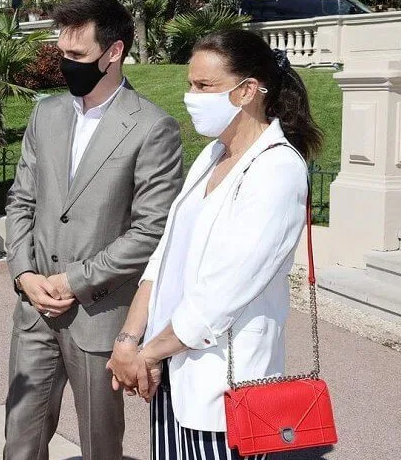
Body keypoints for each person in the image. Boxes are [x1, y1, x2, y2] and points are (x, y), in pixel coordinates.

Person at [107, 29, 323, 460]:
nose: (191, 95)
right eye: (190, 83)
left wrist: (146, 354)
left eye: (204, 86)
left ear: (247, 91)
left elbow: (222, 293)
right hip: (172, 370)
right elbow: (164, 255)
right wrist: (128, 340)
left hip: (226, 384)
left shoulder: (277, 169)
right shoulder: (211, 156)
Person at [4, 0, 184, 460]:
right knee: (20, 441)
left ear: (115, 52)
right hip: (35, 309)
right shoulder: (47, 114)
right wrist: (25, 275)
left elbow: (151, 232)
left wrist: (74, 280)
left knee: (100, 448)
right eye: (62, 54)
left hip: (99, 315)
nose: (66, 65)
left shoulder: (152, 127)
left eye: (78, 56)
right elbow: (22, 200)